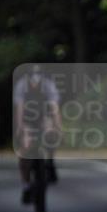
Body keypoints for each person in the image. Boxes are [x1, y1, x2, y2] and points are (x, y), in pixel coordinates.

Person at [13, 64, 62, 203]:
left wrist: (58, 126)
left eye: (38, 76)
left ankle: (50, 161)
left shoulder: (48, 85)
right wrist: (20, 128)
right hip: (28, 119)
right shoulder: (22, 86)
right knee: (24, 150)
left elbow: (54, 107)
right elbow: (20, 108)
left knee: (51, 133)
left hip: (43, 117)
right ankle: (26, 185)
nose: (36, 79)